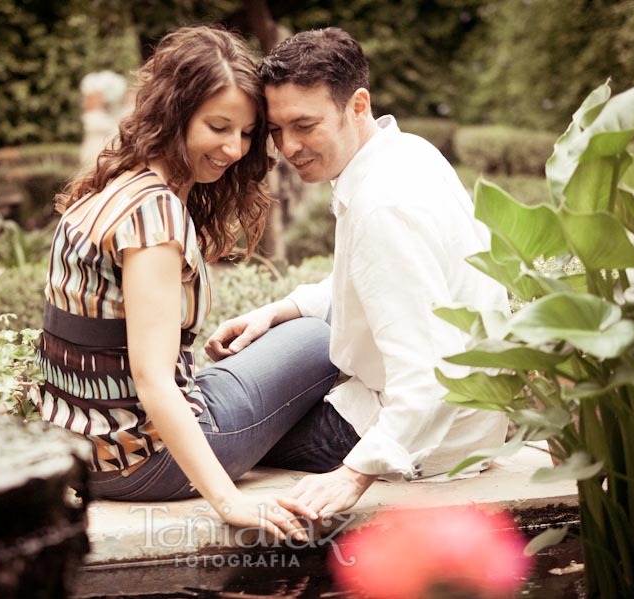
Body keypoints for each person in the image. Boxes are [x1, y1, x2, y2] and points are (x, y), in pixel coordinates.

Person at [33, 25, 338, 541]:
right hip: (146, 461)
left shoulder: (110, 190)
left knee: (287, 343)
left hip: (86, 450)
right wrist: (230, 502)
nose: (235, 149)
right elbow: (152, 380)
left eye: (245, 133)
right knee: (319, 338)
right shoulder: (155, 215)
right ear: (175, 116)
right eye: (218, 127)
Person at [206, 27, 510, 519]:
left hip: (422, 437)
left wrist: (353, 475)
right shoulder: (407, 151)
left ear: (358, 105)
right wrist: (281, 310)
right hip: (466, 420)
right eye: (278, 130)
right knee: (277, 367)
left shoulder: (382, 207)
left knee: (218, 438)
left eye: (305, 125)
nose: (289, 146)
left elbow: (429, 374)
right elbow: (382, 282)